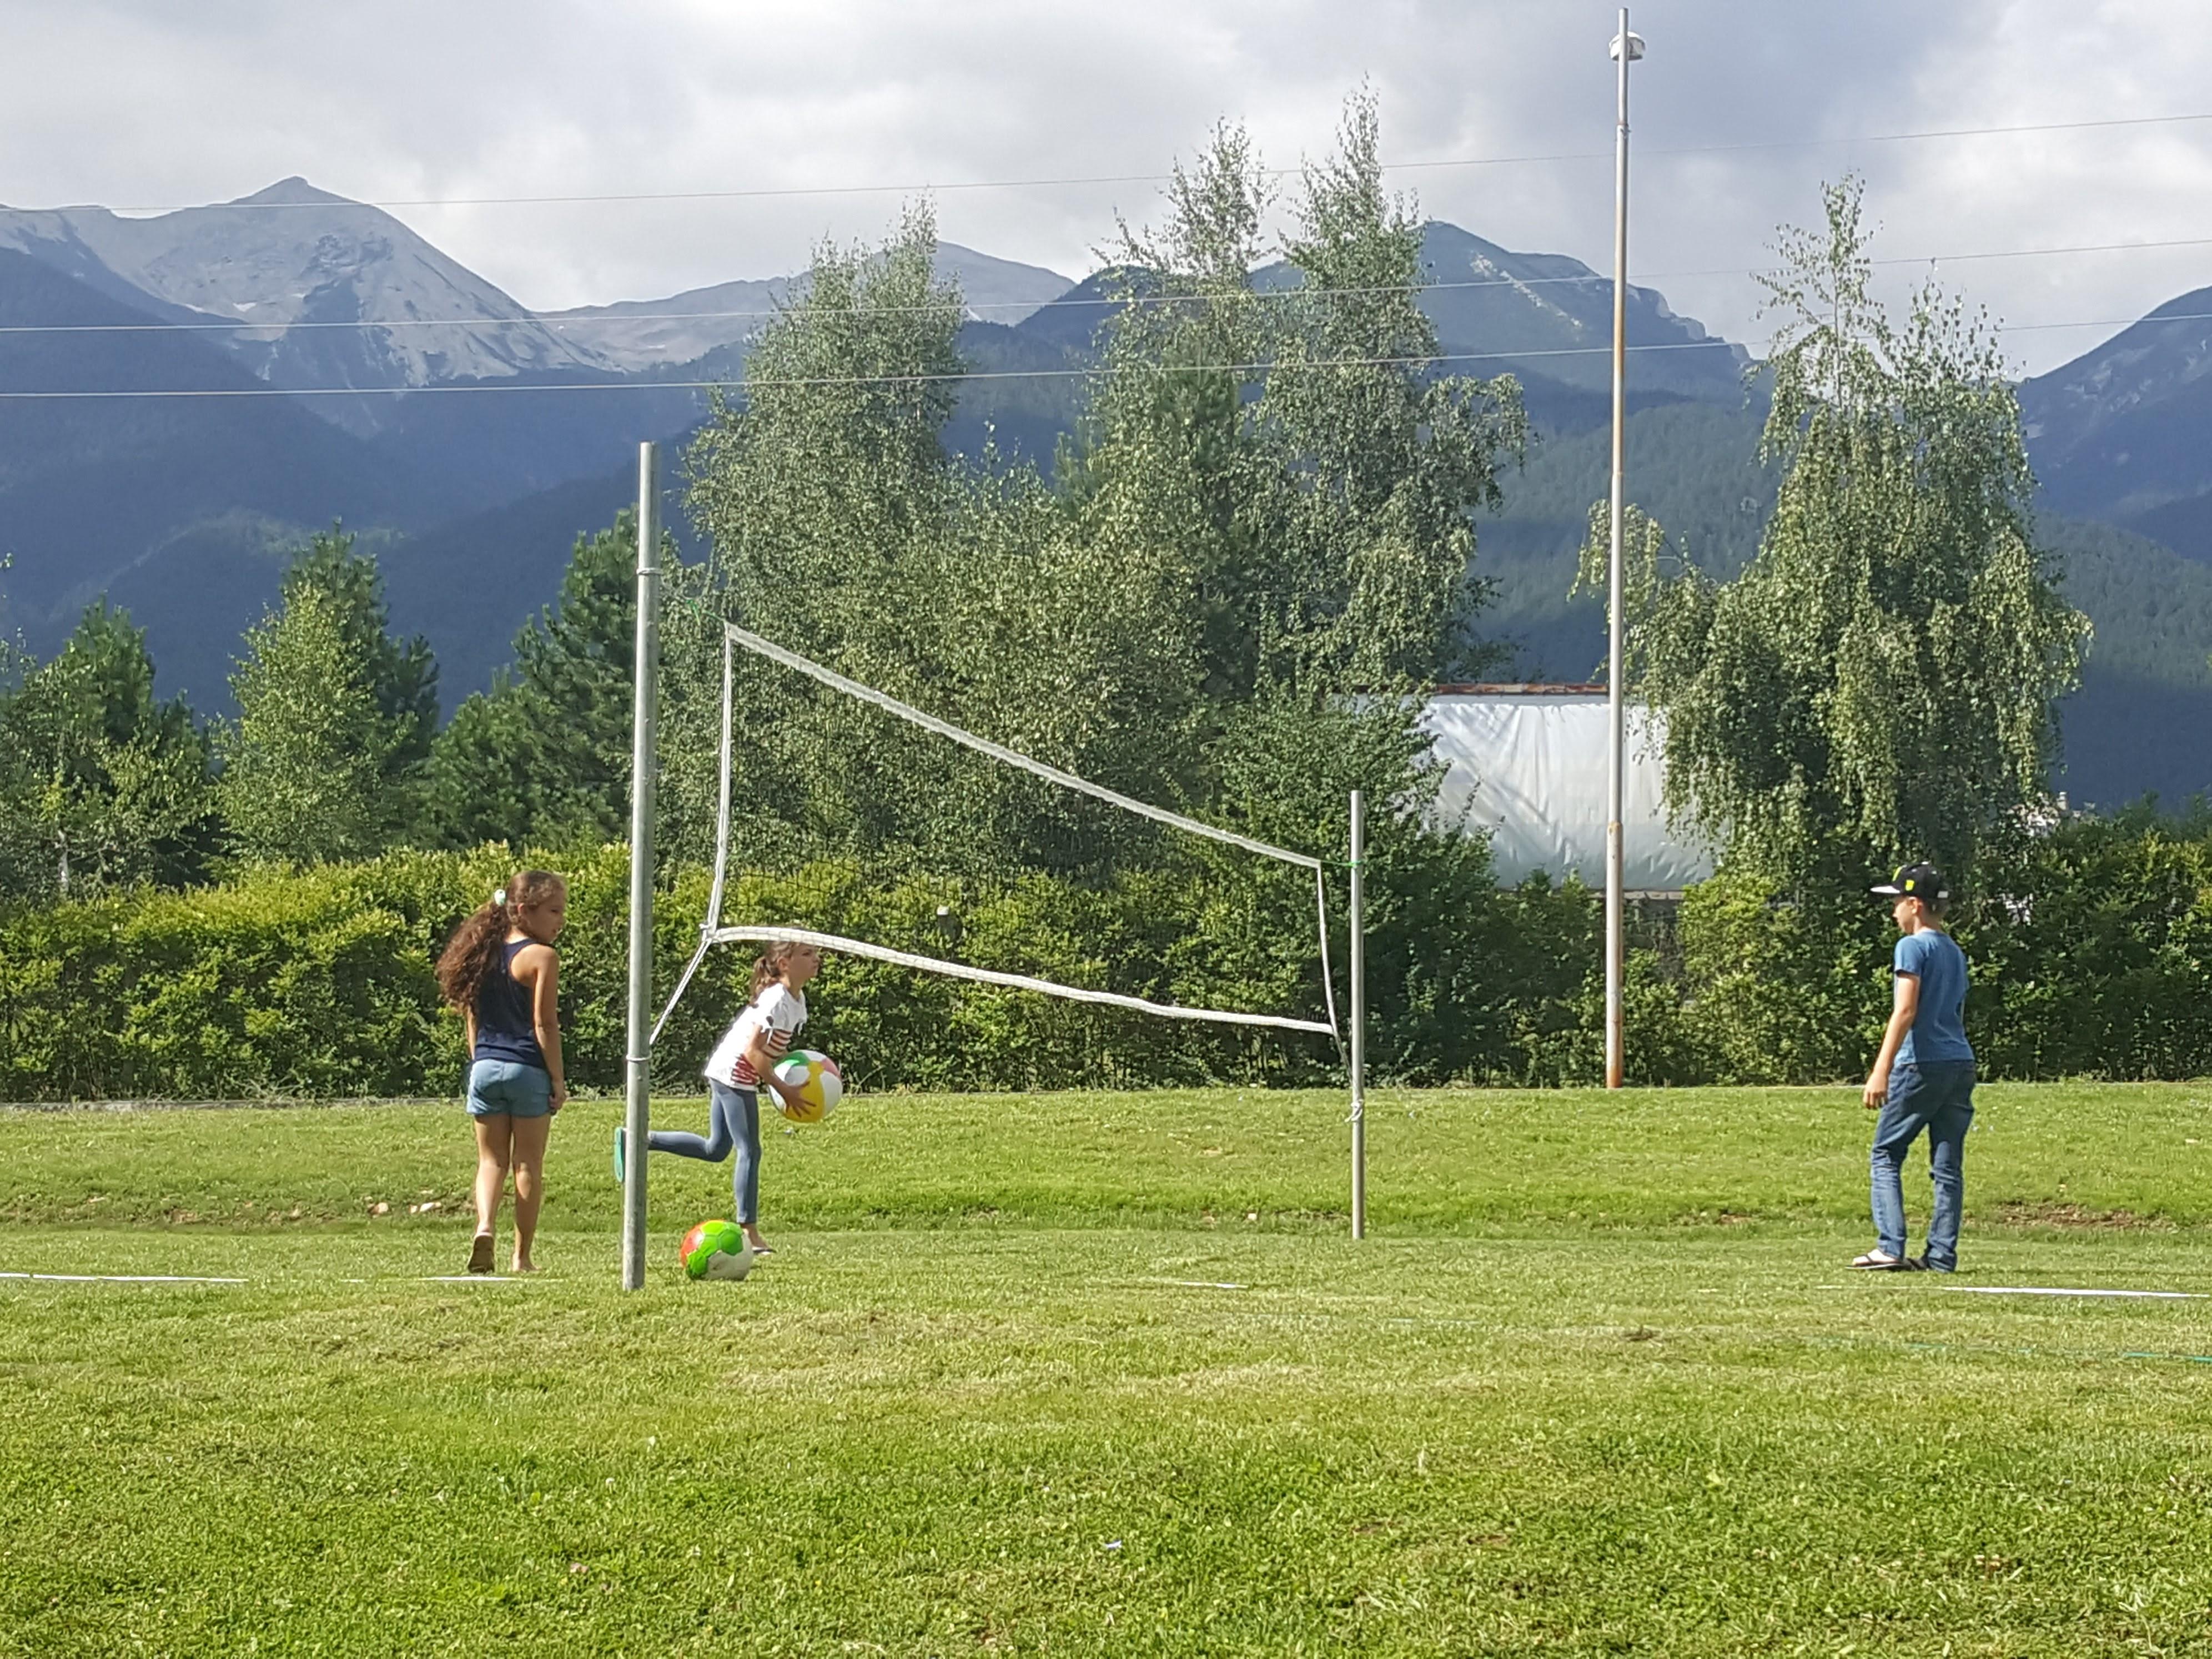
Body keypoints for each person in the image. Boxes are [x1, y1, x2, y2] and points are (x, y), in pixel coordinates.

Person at [615, 939, 820, 1257]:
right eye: (807, 954)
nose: (816, 959)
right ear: (784, 964)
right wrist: (784, 1088)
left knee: (716, 1149)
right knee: (749, 1150)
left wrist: (795, 1071)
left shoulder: (796, 999)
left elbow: (772, 1049)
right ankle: (748, 1231)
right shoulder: (776, 999)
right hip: (735, 1074)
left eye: (815, 953)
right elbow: (753, 1051)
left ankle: (637, 1140)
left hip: (729, 1070)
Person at [435, 870, 568, 1275]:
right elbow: (545, 1025)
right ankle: (521, 1257)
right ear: (524, 911)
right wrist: (558, 1081)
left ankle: (484, 1226)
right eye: (554, 911)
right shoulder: (542, 957)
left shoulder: (482, 952)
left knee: (490, 1161)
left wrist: (480, 1061)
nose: (560, 921)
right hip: (527, 1069)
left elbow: (471, 1019)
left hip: (485, 1069)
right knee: (527, 1164)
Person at [1853, 863, 1975, 1273]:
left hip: (1920, 1062)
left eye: (1896, 904)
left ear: (1915, 905)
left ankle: (1890, 1246)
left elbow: (1905, 1010)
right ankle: (1941, 1256)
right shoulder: (1954, 951)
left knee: (1886, 1153)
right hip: (1959, 1062)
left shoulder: (1912, 947)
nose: (1893, 914)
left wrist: (1880, 1069)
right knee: (1947, 1165)